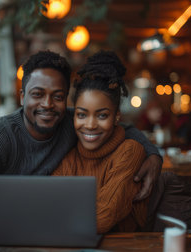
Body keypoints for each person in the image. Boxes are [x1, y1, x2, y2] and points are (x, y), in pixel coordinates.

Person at [0, 50, 162, 231]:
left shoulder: (71, 123)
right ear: (23, 96)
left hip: (52, 234)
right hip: (7, 235)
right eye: (37, 94)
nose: (48, 104)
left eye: (58, 96)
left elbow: (121, 128)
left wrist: (153, 156)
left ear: (65, 100)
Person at [52, 51, 148, 233]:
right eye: (81, 114)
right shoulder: (69, 157)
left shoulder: (130, 151)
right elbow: (49, 205)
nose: (89, 125)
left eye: (102, 115)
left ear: (117, 116)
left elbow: (103, 217)